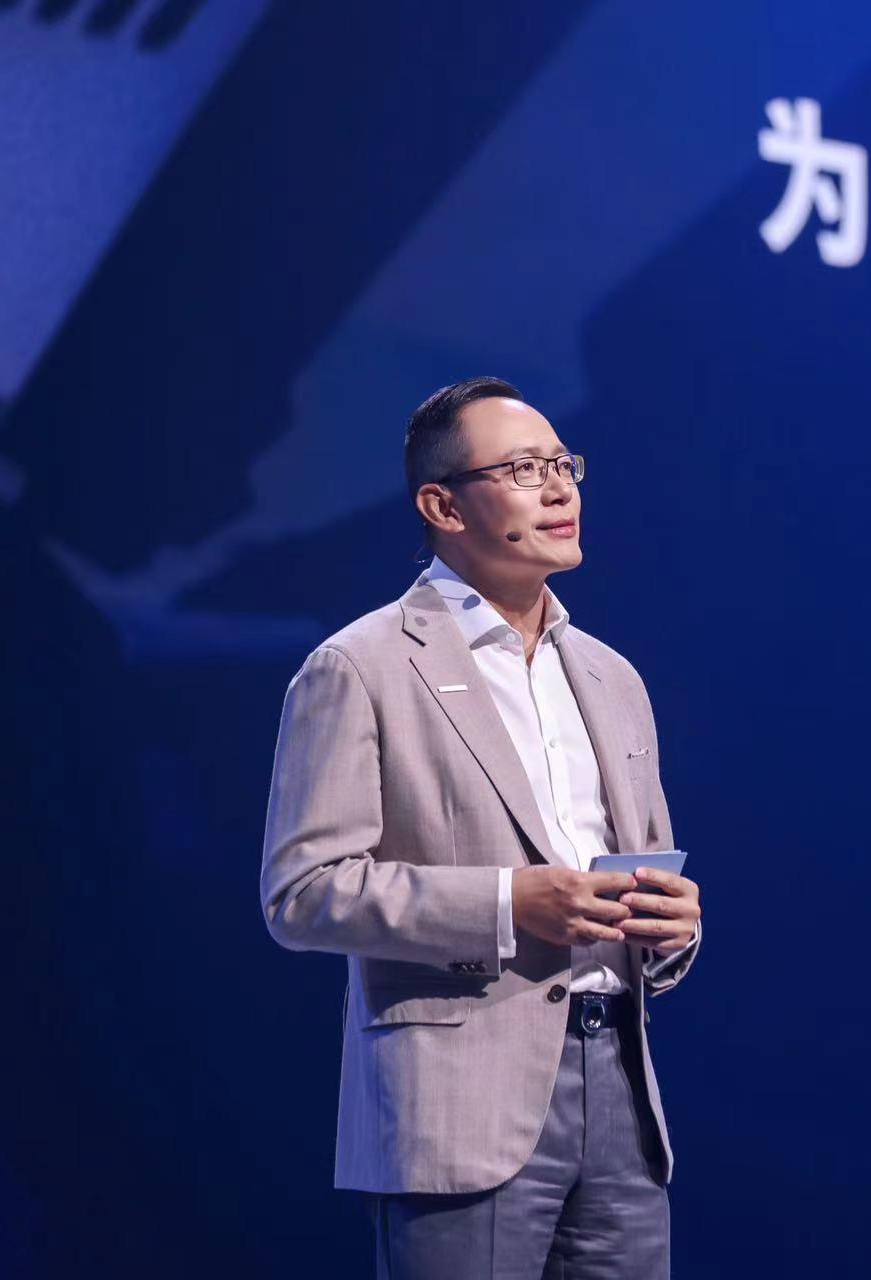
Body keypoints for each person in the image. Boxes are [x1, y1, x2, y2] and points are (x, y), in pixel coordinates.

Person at [259, 376, 702, 1278]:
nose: (559, 489)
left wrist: (672, 927)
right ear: (443, 506)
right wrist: (508, 903)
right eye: (525, 469)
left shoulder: (613, 678)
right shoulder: (361, 665)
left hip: (620, 1082)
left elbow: (639, 871)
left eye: (564, 465)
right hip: (460, 1097)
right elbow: (302, 894)